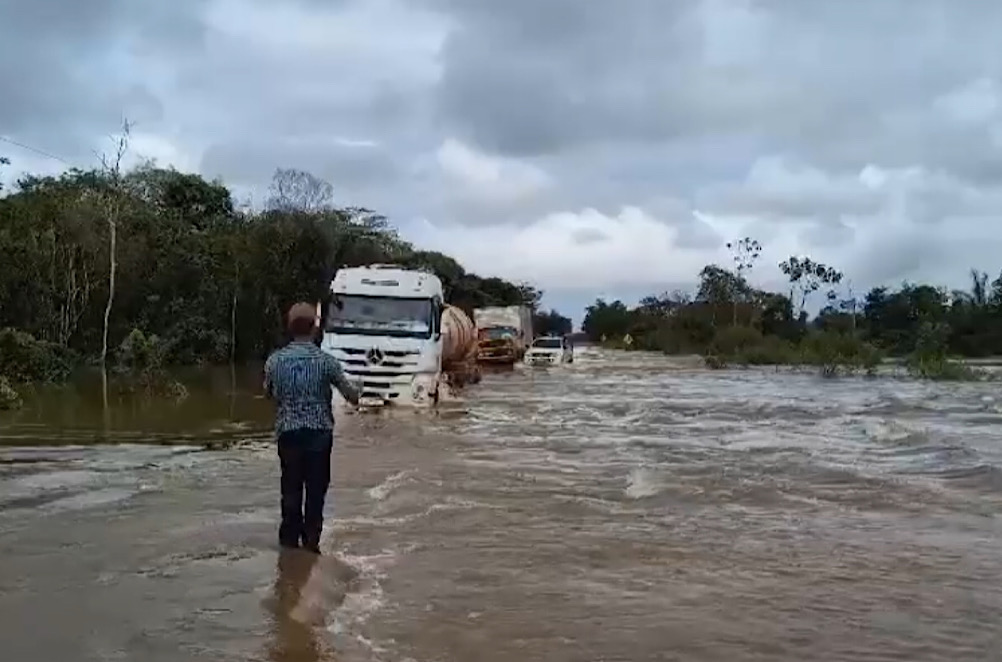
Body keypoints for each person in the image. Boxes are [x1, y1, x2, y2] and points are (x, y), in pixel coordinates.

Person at [263, 302, 360, 554]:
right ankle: (310, 544)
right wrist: (359, 388)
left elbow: (269, 394)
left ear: (289, 327)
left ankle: (288, 545)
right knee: (316, 491)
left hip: (288, 433)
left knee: (290, 489)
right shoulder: (326, 362)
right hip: (319, 435)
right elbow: (351, 396)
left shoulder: (274, 361)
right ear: (315, 328)